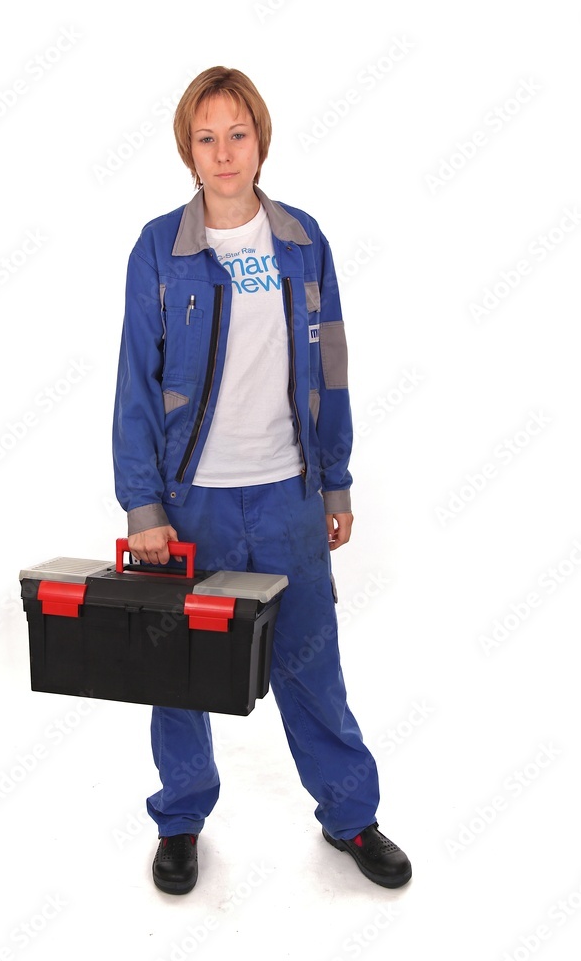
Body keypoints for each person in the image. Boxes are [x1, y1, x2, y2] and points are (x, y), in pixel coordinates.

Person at [112, 66, 412, 895]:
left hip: (288, 494)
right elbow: (136, 380)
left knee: (311, 663)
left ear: (260, 141)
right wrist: (143, 505)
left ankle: (350, 816)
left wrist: (335, 483)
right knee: (179, 670)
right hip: (191, 503)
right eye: (205, 137)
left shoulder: (301, 241)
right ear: (187, 150)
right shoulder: (159, 248)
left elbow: (331, 366)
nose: (223, 153)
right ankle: (180, 820)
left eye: (236, 134)